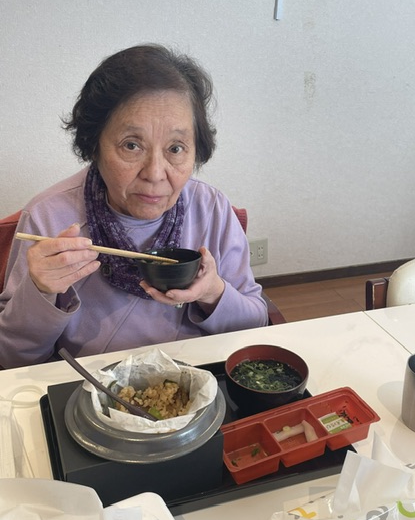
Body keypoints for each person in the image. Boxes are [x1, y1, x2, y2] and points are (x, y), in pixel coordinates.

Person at [0, 44, 268, 368]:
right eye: (131, 145)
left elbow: (256, 326)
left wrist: (213, 292)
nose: (155, 173)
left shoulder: (211, 209)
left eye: (176, 148)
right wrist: (41, 291)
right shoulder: (49, 218)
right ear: (94, 144)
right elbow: (11, 359)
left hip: (200, 384)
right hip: (91, 388)